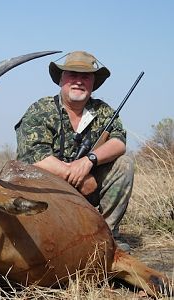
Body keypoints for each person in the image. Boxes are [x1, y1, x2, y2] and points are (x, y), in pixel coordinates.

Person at [15, 51, 134, 251]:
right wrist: (78, 177)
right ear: (61, 79)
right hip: (47, 191)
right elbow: (35, 157)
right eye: (72, 75)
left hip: (89, 188)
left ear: (93, 82)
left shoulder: (103, 111)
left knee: (125, 164)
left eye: (85, 76)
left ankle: (107, 236)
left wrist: (88, 161)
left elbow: (119, 142)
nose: (79, 81)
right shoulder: (40, 109)